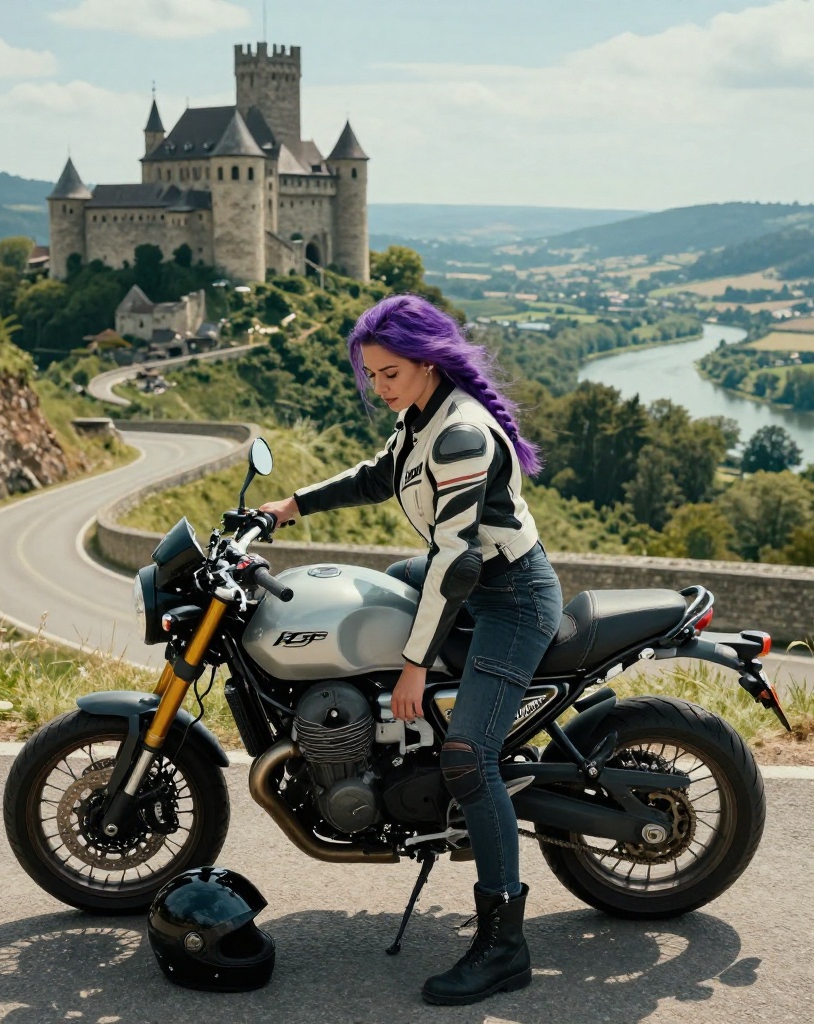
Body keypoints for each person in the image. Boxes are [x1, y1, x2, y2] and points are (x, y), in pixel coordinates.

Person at [259, 293, 562, 1006]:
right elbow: (377, 476)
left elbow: (457, 565)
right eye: (372, 376)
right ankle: (397, 755)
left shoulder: (460, 436)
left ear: (427, 363)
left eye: (389, 374)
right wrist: (291, 506)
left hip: (508, 598)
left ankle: (504, 946)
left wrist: (415, 667)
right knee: (377, 599)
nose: (380, 388)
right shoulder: (421, 417)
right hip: (467, 578)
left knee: (469, 754)